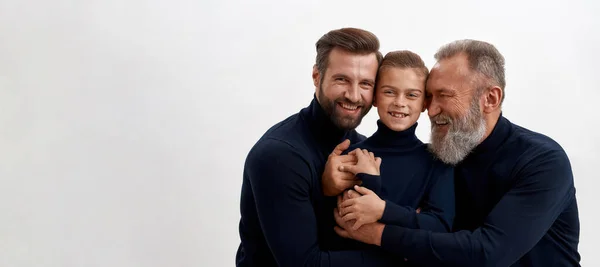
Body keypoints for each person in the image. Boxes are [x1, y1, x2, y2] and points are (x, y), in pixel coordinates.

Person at [331, 39, 581, 267]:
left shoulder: (543, 161)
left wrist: (378, 233)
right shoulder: (447, 153)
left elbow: (487, 251)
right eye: (430, 96)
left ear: (490, 99)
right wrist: (331, 179)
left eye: (444, 96)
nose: (431, 110)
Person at [236, 27, 398, 267]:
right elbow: (304, 264)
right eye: (342, 79)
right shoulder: (279, 154)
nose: (354, 96)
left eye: (365, 83)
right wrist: (398, 255)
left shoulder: (364, 148)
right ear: (316, 76)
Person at [322, 51, 455, 242]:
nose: (400, 103)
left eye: (411, 95)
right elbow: (346, 230)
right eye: (389, 92)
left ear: (425, 102)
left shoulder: (437, 161)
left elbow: (441, 228)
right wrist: (413, 219)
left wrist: (383, 210)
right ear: (375, 97)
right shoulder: (353, 156)